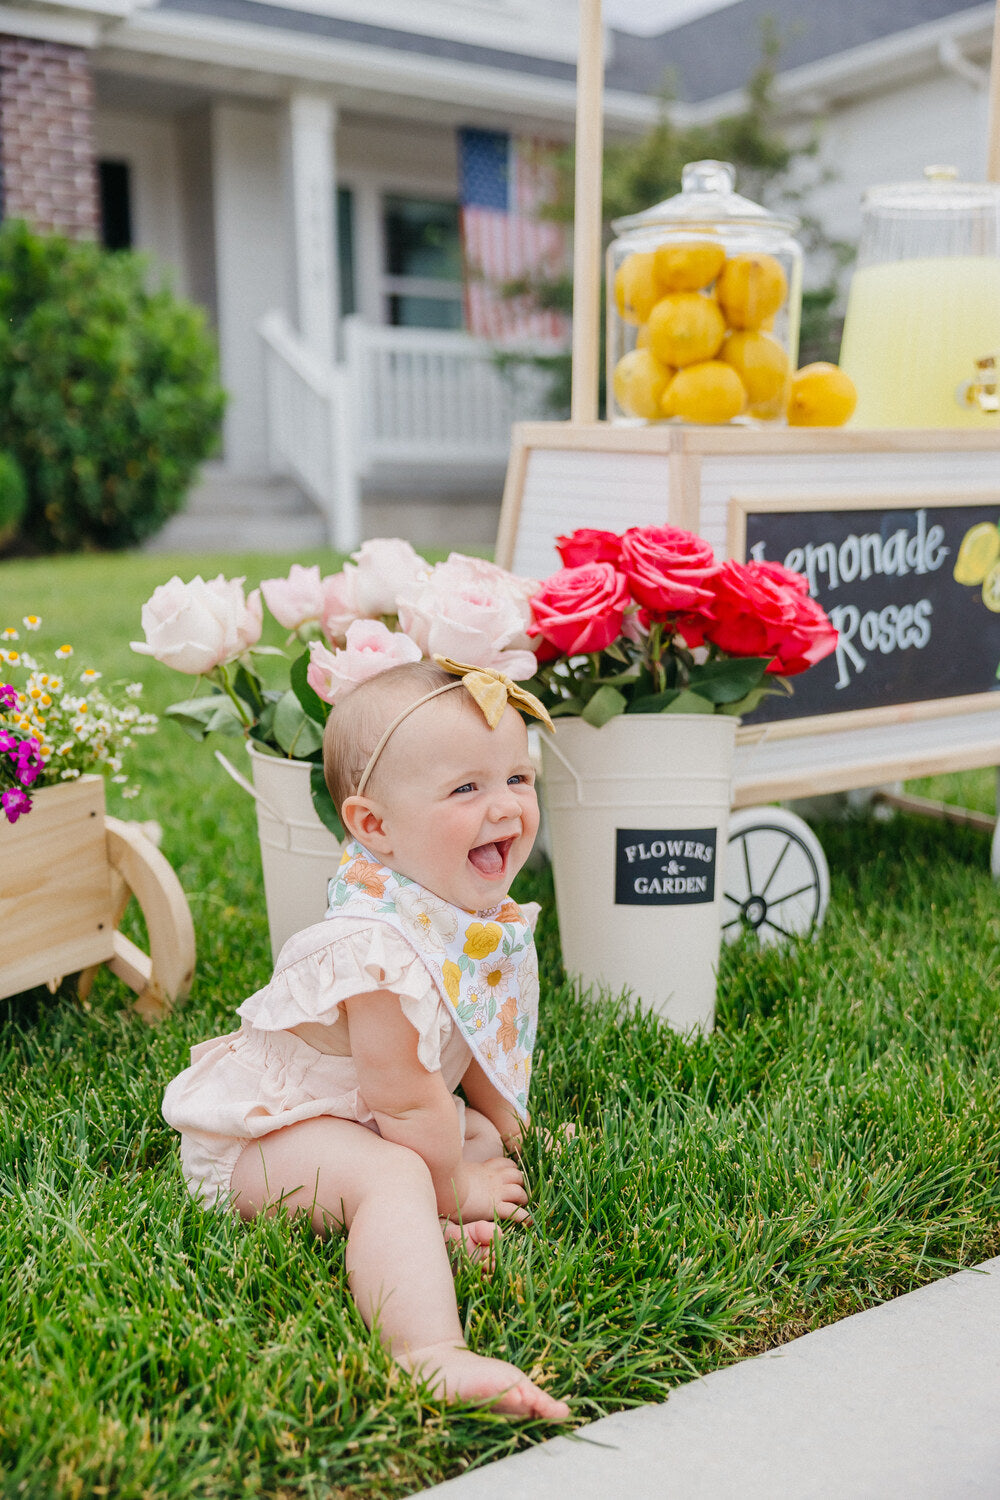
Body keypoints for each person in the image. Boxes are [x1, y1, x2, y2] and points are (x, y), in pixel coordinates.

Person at [162, 655, 570, 1420]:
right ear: (373, 825)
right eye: (466, 788)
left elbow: (474, 1041)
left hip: (350, 1112)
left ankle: (418, 1233)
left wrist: (515, 1133)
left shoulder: (455, 905)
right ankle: (428, 1353)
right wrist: (457, 1188)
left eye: (518, 778)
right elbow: (407, 1106)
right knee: (399, 1174)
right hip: (262, 1141)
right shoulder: (375, 948)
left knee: (473, 1131)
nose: (507, 807)